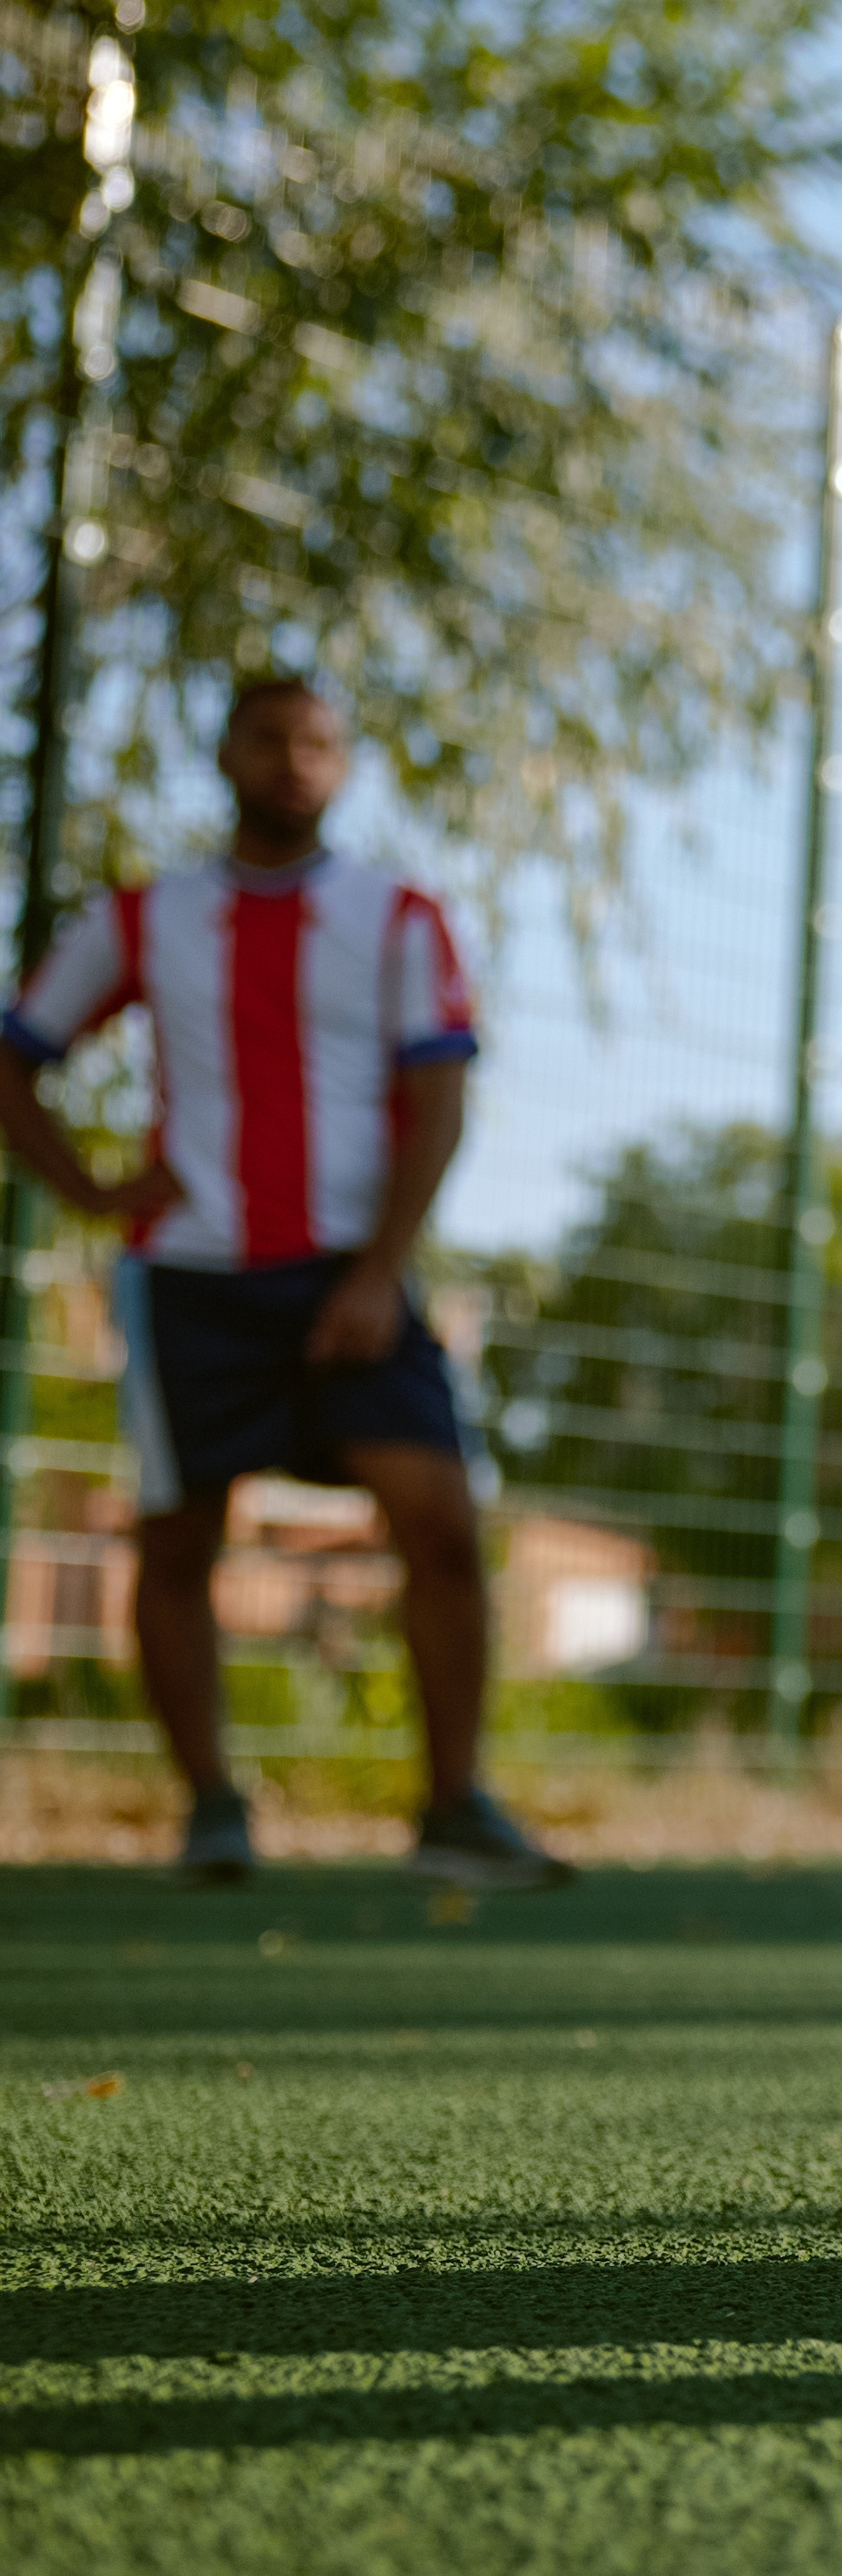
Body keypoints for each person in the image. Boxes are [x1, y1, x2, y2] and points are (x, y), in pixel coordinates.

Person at [0, 678, 565, 1889]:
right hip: (192, 1280)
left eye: (318, 743)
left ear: (344, 766)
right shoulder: (147, 918)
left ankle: (455, 1806)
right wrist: (93, 1192)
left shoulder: (400, 916)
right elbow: (17, 1057)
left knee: (442, 1524)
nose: (294, 761)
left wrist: (378, 1272)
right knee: (177, 1537)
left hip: (351, 1280)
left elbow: (439, 1102)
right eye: (270, 738)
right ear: (225, 754)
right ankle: (212, 1807)